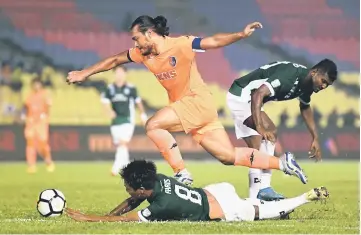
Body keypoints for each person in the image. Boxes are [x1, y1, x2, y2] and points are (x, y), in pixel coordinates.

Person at [66, 15, 307, 185]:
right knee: (228, 157)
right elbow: (114, 60)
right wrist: (84, 73)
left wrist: (240, 35)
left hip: (195, 101)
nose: (134, 43)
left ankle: (181, 172)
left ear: (150, 33)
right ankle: (283, 163)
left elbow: (211, 42)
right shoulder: (143, 53)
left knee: (153, 125)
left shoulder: (180, 44)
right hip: (197, 111)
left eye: (136, 38)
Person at [66, 160, 329, 222]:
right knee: (252, 204)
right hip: (216, 191)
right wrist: (107, 212)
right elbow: (132, 201)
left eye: (129, 186)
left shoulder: (161, 207)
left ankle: (305, 197)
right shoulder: (156, 179)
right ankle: (266, 198)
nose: (127, 189)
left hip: (223, 208)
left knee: (263, 212)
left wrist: (89, 218)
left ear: (143, 188)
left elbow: (126, 220)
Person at [226, 60, 337, 201]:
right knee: (266, 136)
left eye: (327, 84)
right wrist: (259, 126)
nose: (323, 86)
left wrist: (315, 137)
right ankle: (262, 192)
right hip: (241, 95)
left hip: (252, 100)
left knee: (258, 148)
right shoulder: (289, 77)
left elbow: (305, 107)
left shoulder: (308, 84)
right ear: (314, 72)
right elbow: (258, 94)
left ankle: (258, 196)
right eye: (323, 81)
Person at [101, 65, 148, 176]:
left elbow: (138, 103)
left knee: (123, 142)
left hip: (128, 120)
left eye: (121, 72)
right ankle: (128, 168)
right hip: (115, 121)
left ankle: (115, 168)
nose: (119, 75)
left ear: (125, 74)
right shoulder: (110, 89)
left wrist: (143, 116)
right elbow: (104, 102)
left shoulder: (131, 88)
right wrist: (109, 111)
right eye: (117, 73)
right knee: (121, 146)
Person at [23, 78, 54, 173]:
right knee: (30, 143)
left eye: (38, 84)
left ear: (41, 85)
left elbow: (48, 105)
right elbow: (25, 107)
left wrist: (44, 114)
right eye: (34, 84)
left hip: (41, 122)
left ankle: (48, 160)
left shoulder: (45, 94)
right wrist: (24, 116)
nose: (36, 86)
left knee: (43, 144)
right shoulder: (30, 95)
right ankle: (31, 165)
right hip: (31, 122)